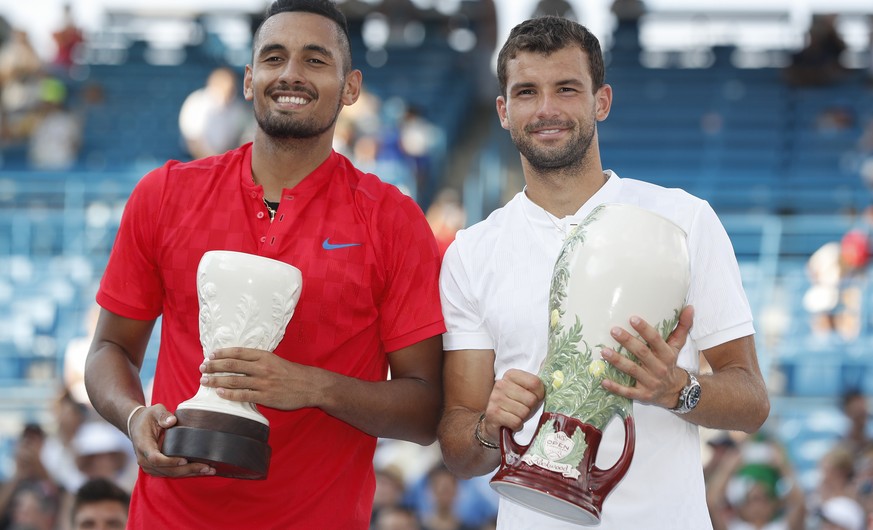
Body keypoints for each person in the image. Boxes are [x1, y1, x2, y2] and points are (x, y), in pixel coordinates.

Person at [83, 1, 445, 529]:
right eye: (274, 58)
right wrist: (134, 416)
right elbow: (110, 348)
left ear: (351, 88)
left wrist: (313, 388)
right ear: (250, 79)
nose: (291, 74)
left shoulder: (393, 220)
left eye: (315, 60)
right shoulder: (164, 195)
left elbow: (425, 410)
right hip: (168, 517)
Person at [437, 15, 769, 530]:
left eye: (566, 89)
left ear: (602, 101)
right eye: (527, 92)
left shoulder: (684, 221)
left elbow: (751, 402)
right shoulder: (470, 252)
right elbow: (459, 451)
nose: (546, 109)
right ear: (503, 110)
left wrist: (676, 389)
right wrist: (488, 426)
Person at [178, 66, 251, 160]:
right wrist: (215, 162)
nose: (227, 92)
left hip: (227, 160)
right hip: (195, 160)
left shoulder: (239, 108)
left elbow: (245, 138)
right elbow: (193, 142)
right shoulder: (196, 103)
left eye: (230, 88)